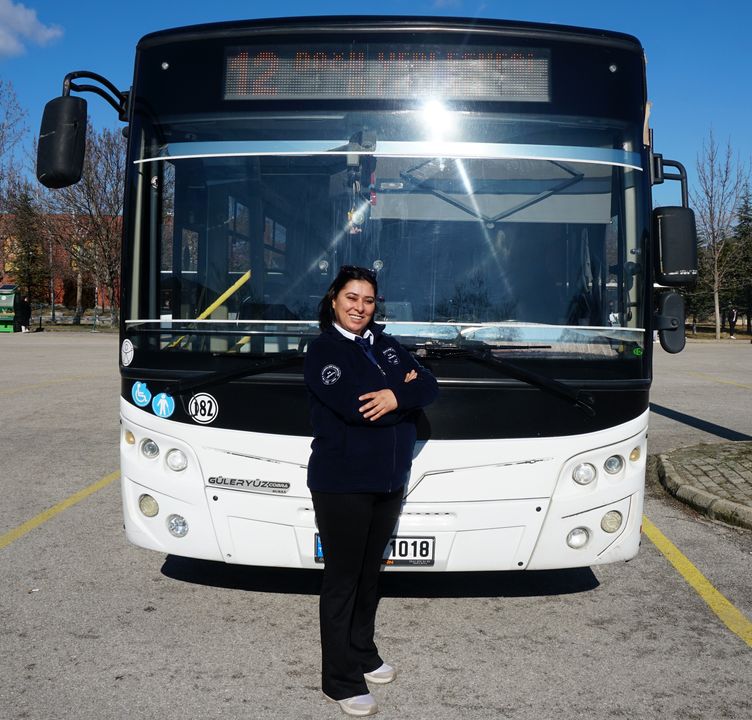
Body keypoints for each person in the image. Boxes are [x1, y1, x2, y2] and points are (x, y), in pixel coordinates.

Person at [304, 265, 438, 717]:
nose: (359, 307)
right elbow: (360, 408)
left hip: (387, 481)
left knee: (369, 576)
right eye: (351, 298)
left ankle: (362, 651)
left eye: (367, 300)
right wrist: (405, 393)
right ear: (334, 299)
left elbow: (430, 385)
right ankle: (338, 679)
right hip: (343, 485)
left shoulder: (384, 344)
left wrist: (398, 397)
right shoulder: (323, 351)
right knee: (342, 580)